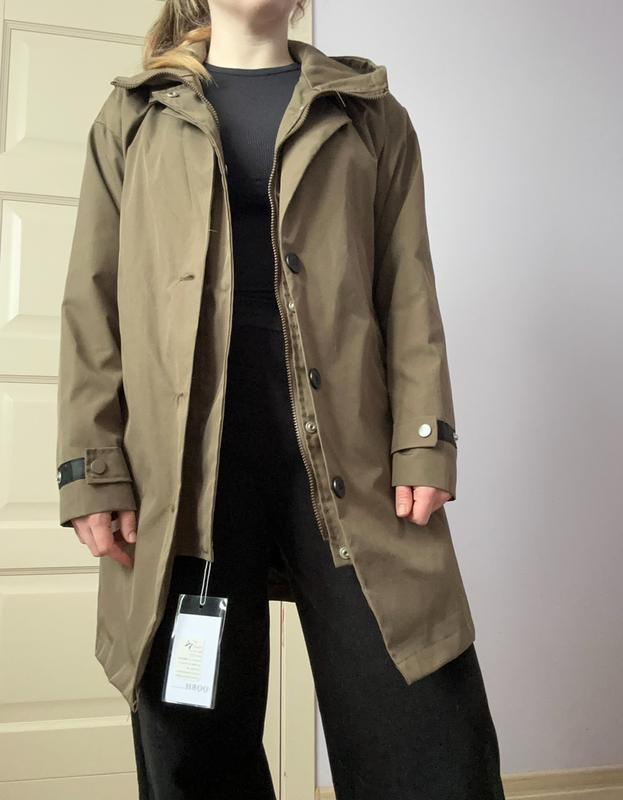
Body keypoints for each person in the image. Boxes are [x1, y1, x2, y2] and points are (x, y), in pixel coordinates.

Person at [55, 1, 507, 798]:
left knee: (423, 717)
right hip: (183, 471)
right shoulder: (133, 117)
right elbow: (92, 305)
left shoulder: (369, 115)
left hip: (350, 454)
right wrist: (92, 469)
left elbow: (407, 288)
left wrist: (423, 439)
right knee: (193, 736)